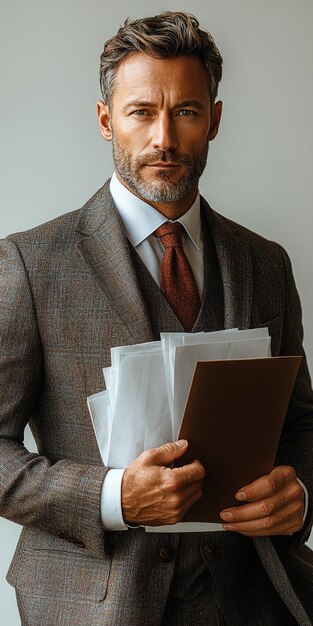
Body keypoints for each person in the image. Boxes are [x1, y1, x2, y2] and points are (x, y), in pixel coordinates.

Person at [0, 10, 312, 626]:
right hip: (92, 605)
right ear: (105, 119)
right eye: (142, 112)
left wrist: (299, 494)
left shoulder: (264, 263)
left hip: (252, 602)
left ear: (214, 121)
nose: (163, 138)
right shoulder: (29, 265)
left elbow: (300, 425)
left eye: (186, 112)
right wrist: (112, 497)